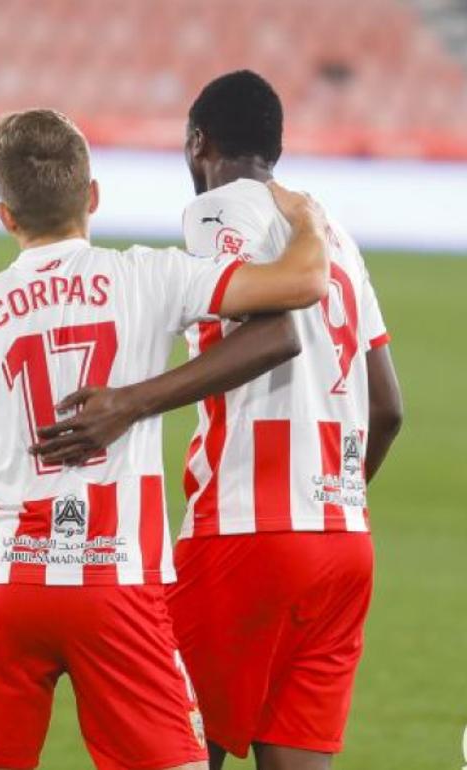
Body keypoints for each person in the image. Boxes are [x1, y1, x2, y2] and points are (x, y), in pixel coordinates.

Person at [0, 108, 333, 770]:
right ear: (93, 197)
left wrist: (24, 471)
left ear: (6, 216)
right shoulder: (149, 277)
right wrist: (309, 223)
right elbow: (304, 283)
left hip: (3, 584)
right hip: (116, 578)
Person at [30, 71, 403, 770]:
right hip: (345, 545)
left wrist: (127, 403)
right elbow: (389, 407)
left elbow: (275, 336)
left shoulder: (219, 208)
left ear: (198, 143)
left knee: (167, 751)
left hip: (244, 534)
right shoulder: (332, 235)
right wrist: (329, 503)